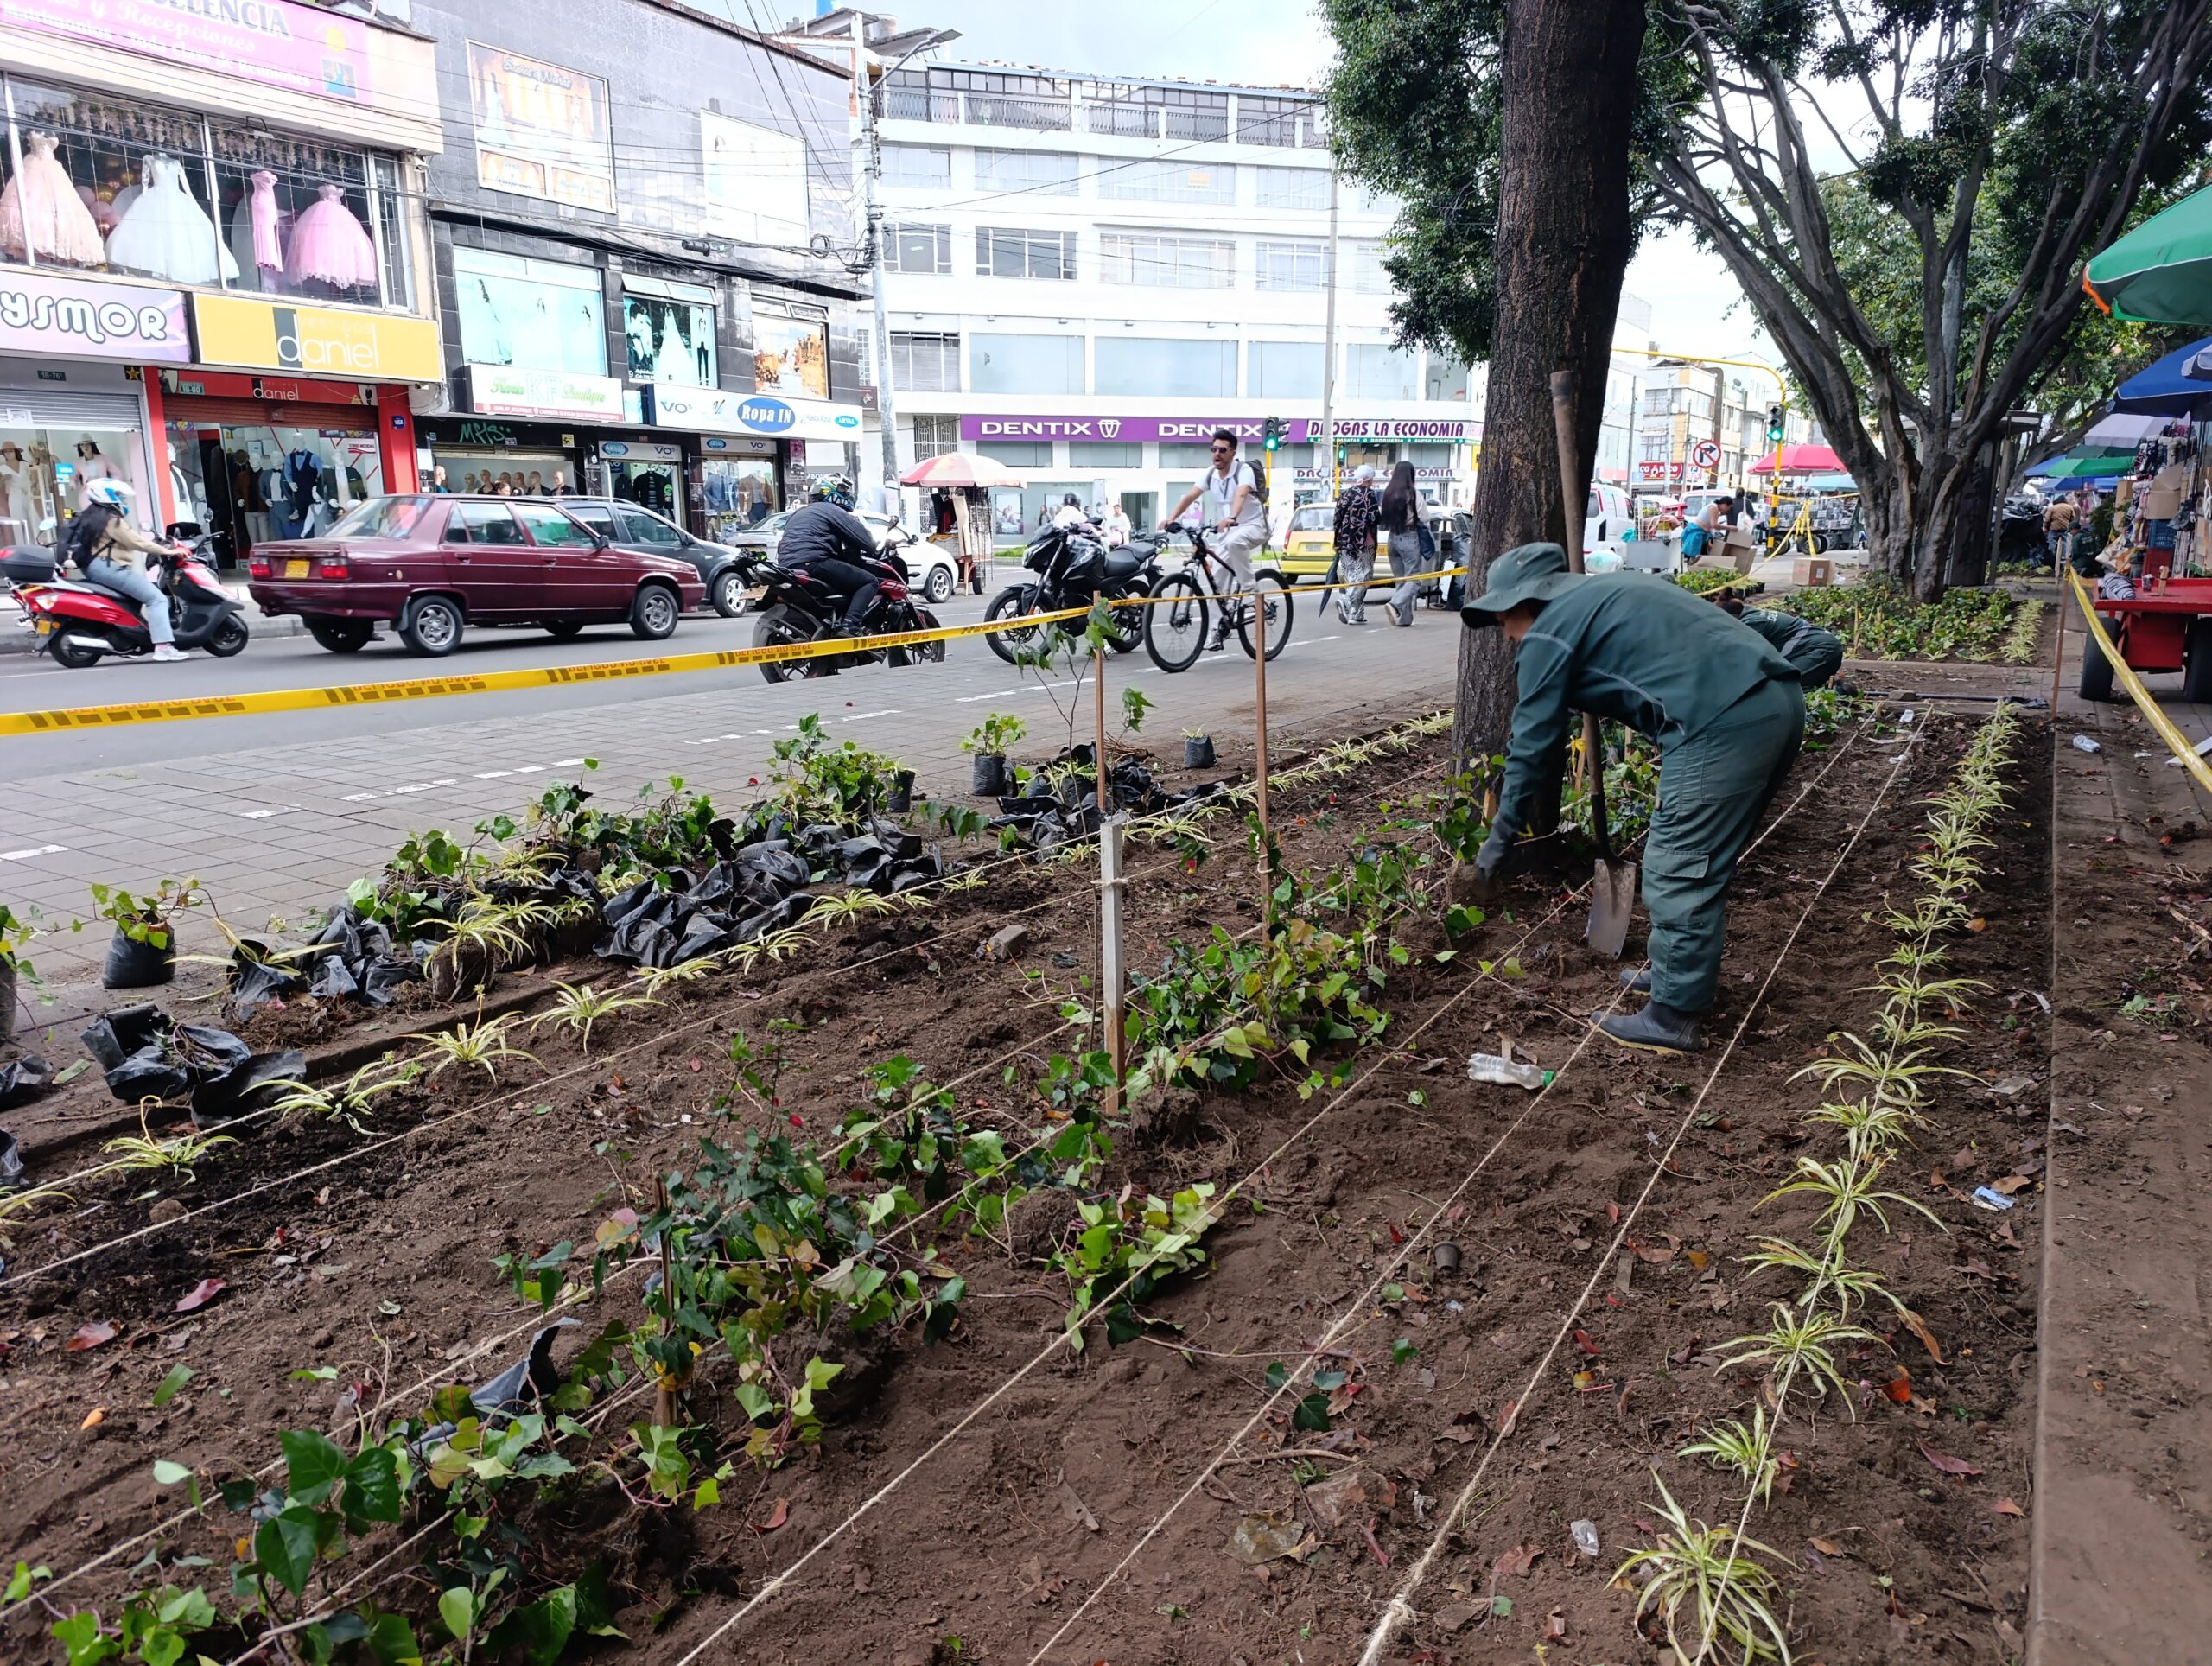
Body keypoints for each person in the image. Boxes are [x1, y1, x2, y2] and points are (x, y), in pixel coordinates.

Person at [1464, 542, 1805, 1053]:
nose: (1506, 635)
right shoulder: (1607, 594)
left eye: (1502, 620)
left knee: (1678, 865)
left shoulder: (1549, 634)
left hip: (1723, 722)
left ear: (1525, 603)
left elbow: (1531, 747)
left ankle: (1673, 1019)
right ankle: (1675, 978)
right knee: (1697, 861)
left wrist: (1494, 848)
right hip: (1773, 701)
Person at [63, 480, 191, 662]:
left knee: (132, 599)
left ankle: (128, 638)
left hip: (94, 567)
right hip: (109, 568)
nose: (122, 499)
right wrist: (168, 551)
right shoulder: (112, 520)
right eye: (119, 495)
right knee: (157, 598)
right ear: (108, 495)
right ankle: (163, 647)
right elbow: (137, 542)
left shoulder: (92, 516)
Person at [1164, 429, 1268, 650]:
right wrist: (1170, 519)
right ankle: (1216, 631)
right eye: (1213, 449)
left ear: (1232, 452)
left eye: (1222, 450)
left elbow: (1241, 494)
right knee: (1216, 583)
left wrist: (1232, 516)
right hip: (1228, 532)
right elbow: (1191, 495)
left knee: (1234, 542)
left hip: (1252, 525)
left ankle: (1251, 592)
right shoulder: (1210, 473)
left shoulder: (1243, 470)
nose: (1216, 454)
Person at [774, 476, 882, 634]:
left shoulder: (799, 513)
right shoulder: (833, 510)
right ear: (833, 492)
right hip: (814, 563)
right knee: (870, 582)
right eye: (844, 490)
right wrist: (874, 548)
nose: (847, 495)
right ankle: (849, 625)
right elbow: (866, 541)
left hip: (788, 566)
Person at [1712, 591, 1845, 689]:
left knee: (1786, 685)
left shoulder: (1753, 623)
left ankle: (1839, 692)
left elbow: (1742, 656)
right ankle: (1830, 685)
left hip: (1823, 649)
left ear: (1731, 616)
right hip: (1816, 647)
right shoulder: (1750, 614)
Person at [1377, 461, 1434, 629]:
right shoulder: (1413, 493)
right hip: (1409, 537)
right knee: (1415, 580)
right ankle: (1395, 604)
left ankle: (1404, 619)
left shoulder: (1388, 492)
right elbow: (1424, 517)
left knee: (1402, 580)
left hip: (1392, 538)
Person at [1331, 464, 1381, 624]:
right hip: (1364, 542)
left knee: (1351, 577)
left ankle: (1356, 615)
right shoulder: (1369, 494)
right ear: (1369, 480)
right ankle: (1347, 601)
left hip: (1345, 542)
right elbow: (1374, 518)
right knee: (1365, 575)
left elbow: (1336, 519)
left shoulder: (1345, 494)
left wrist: (1337, 538)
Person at [1681, 493, 1732, 560]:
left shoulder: (1715, 508)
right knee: (1696, 559)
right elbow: (1714, 525)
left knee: (1699, 558)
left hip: (1701, 535)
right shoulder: (1714, 507)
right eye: (1729, 507)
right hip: (1697, 534)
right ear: (1725, 504)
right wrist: (1729, 527)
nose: (1728, 509)